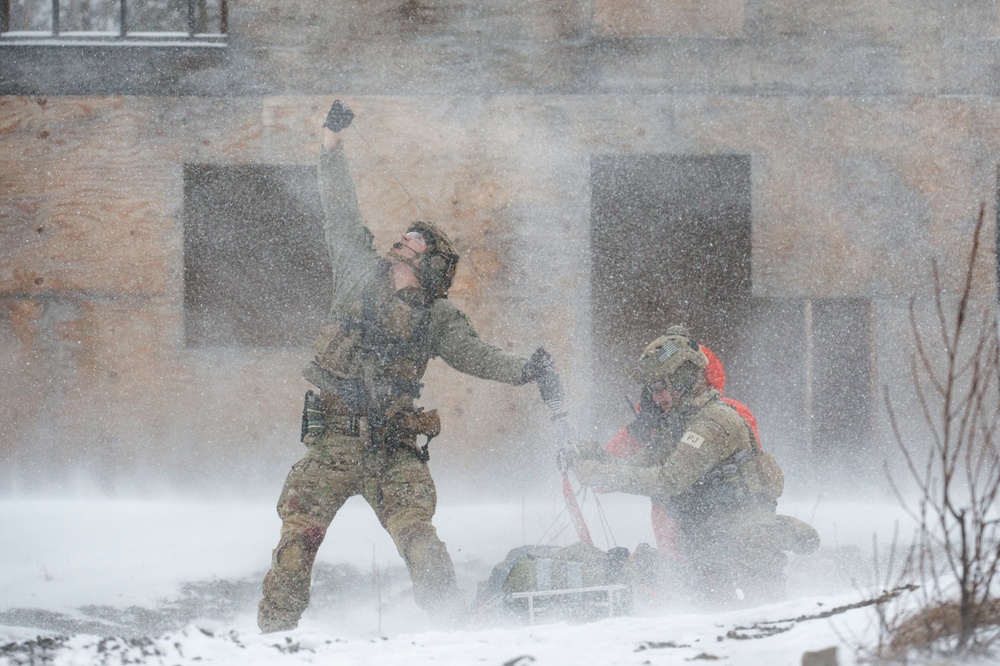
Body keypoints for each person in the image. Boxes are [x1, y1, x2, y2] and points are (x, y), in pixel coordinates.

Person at [257, 100, 569, 633]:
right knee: (295, 545)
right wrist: (331, 142)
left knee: (422, 545)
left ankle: (452, 636)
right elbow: (339, 209)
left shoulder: (438, 316)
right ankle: (271, 644)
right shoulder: (358, 272)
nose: (403, 238)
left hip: (392, 449)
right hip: (331, 444)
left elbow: (476, 356)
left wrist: (528, 370)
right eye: (406, 234)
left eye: (416, 240)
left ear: (428, 265)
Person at [573, 325, 819, 608]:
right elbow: (637, 464)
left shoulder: (713, 421)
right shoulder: (680, 423)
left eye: (658, 387)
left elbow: (669, 479)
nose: (653, 398)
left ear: (682, 379)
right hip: (710, 545)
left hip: (742, 548)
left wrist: (608, 474)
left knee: (759, 622)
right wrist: (593, 458)